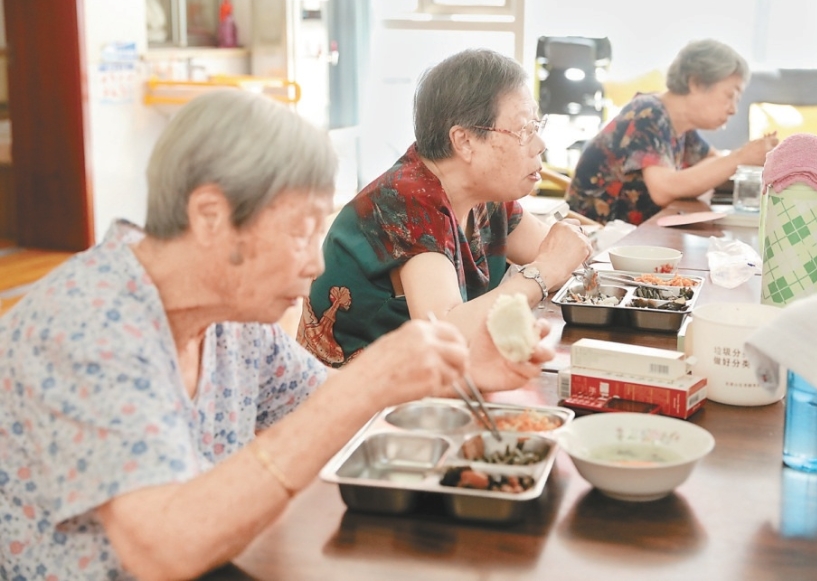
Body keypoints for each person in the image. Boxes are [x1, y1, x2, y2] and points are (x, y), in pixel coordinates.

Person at [0, 89, 528, 580]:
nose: (315, 262)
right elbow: (163, 547)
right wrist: (364, 381)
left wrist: (457, 366)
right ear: (211, 216)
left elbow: (334, 415)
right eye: (301, 231)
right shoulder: (92, 325)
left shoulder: (230, 315)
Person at [299, 48, 592, 371]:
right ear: (464, 141)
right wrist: (543, 272)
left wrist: (560, 257)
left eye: (537, 126)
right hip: (353, 404)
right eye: (524, 130)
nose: (540, 144)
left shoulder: (484, 195)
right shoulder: (408, 201)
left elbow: (561, 252)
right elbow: (447, 332)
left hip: (428, 386)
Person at [566, 39, 779, 225]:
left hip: (635, 236)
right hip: (598, 240)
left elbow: (713, 164)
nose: (733, 109)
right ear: (695, 83)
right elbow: (664, 190)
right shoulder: (647, 113)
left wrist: (748, 160)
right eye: (730, 95)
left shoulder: (681, 128)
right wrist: (741, 157)